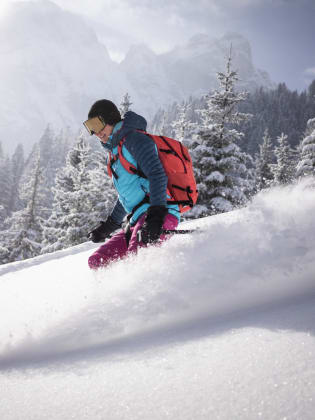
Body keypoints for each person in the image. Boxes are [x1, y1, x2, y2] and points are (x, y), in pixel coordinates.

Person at [84, 99, 180, 269]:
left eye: (97, 125)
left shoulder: (134, 139)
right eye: (91, 128)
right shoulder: (114, 153)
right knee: (97, 261)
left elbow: (157, 174)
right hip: (137, 220)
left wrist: (156, 216)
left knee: (139, 260)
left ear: (110, 118)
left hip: (158, 214)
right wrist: (107, 227)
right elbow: (126, 196)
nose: (96, 132)